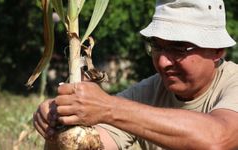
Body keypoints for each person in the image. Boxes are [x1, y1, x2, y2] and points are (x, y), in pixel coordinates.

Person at [33, 0, 238, 149]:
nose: (163, 61)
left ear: (217, 50)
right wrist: (61, 123)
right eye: (157, 47)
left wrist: (108, 107)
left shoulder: (233, 83)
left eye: (179, 48)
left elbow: (218, 139)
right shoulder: (146, 93)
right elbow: (97, 143)